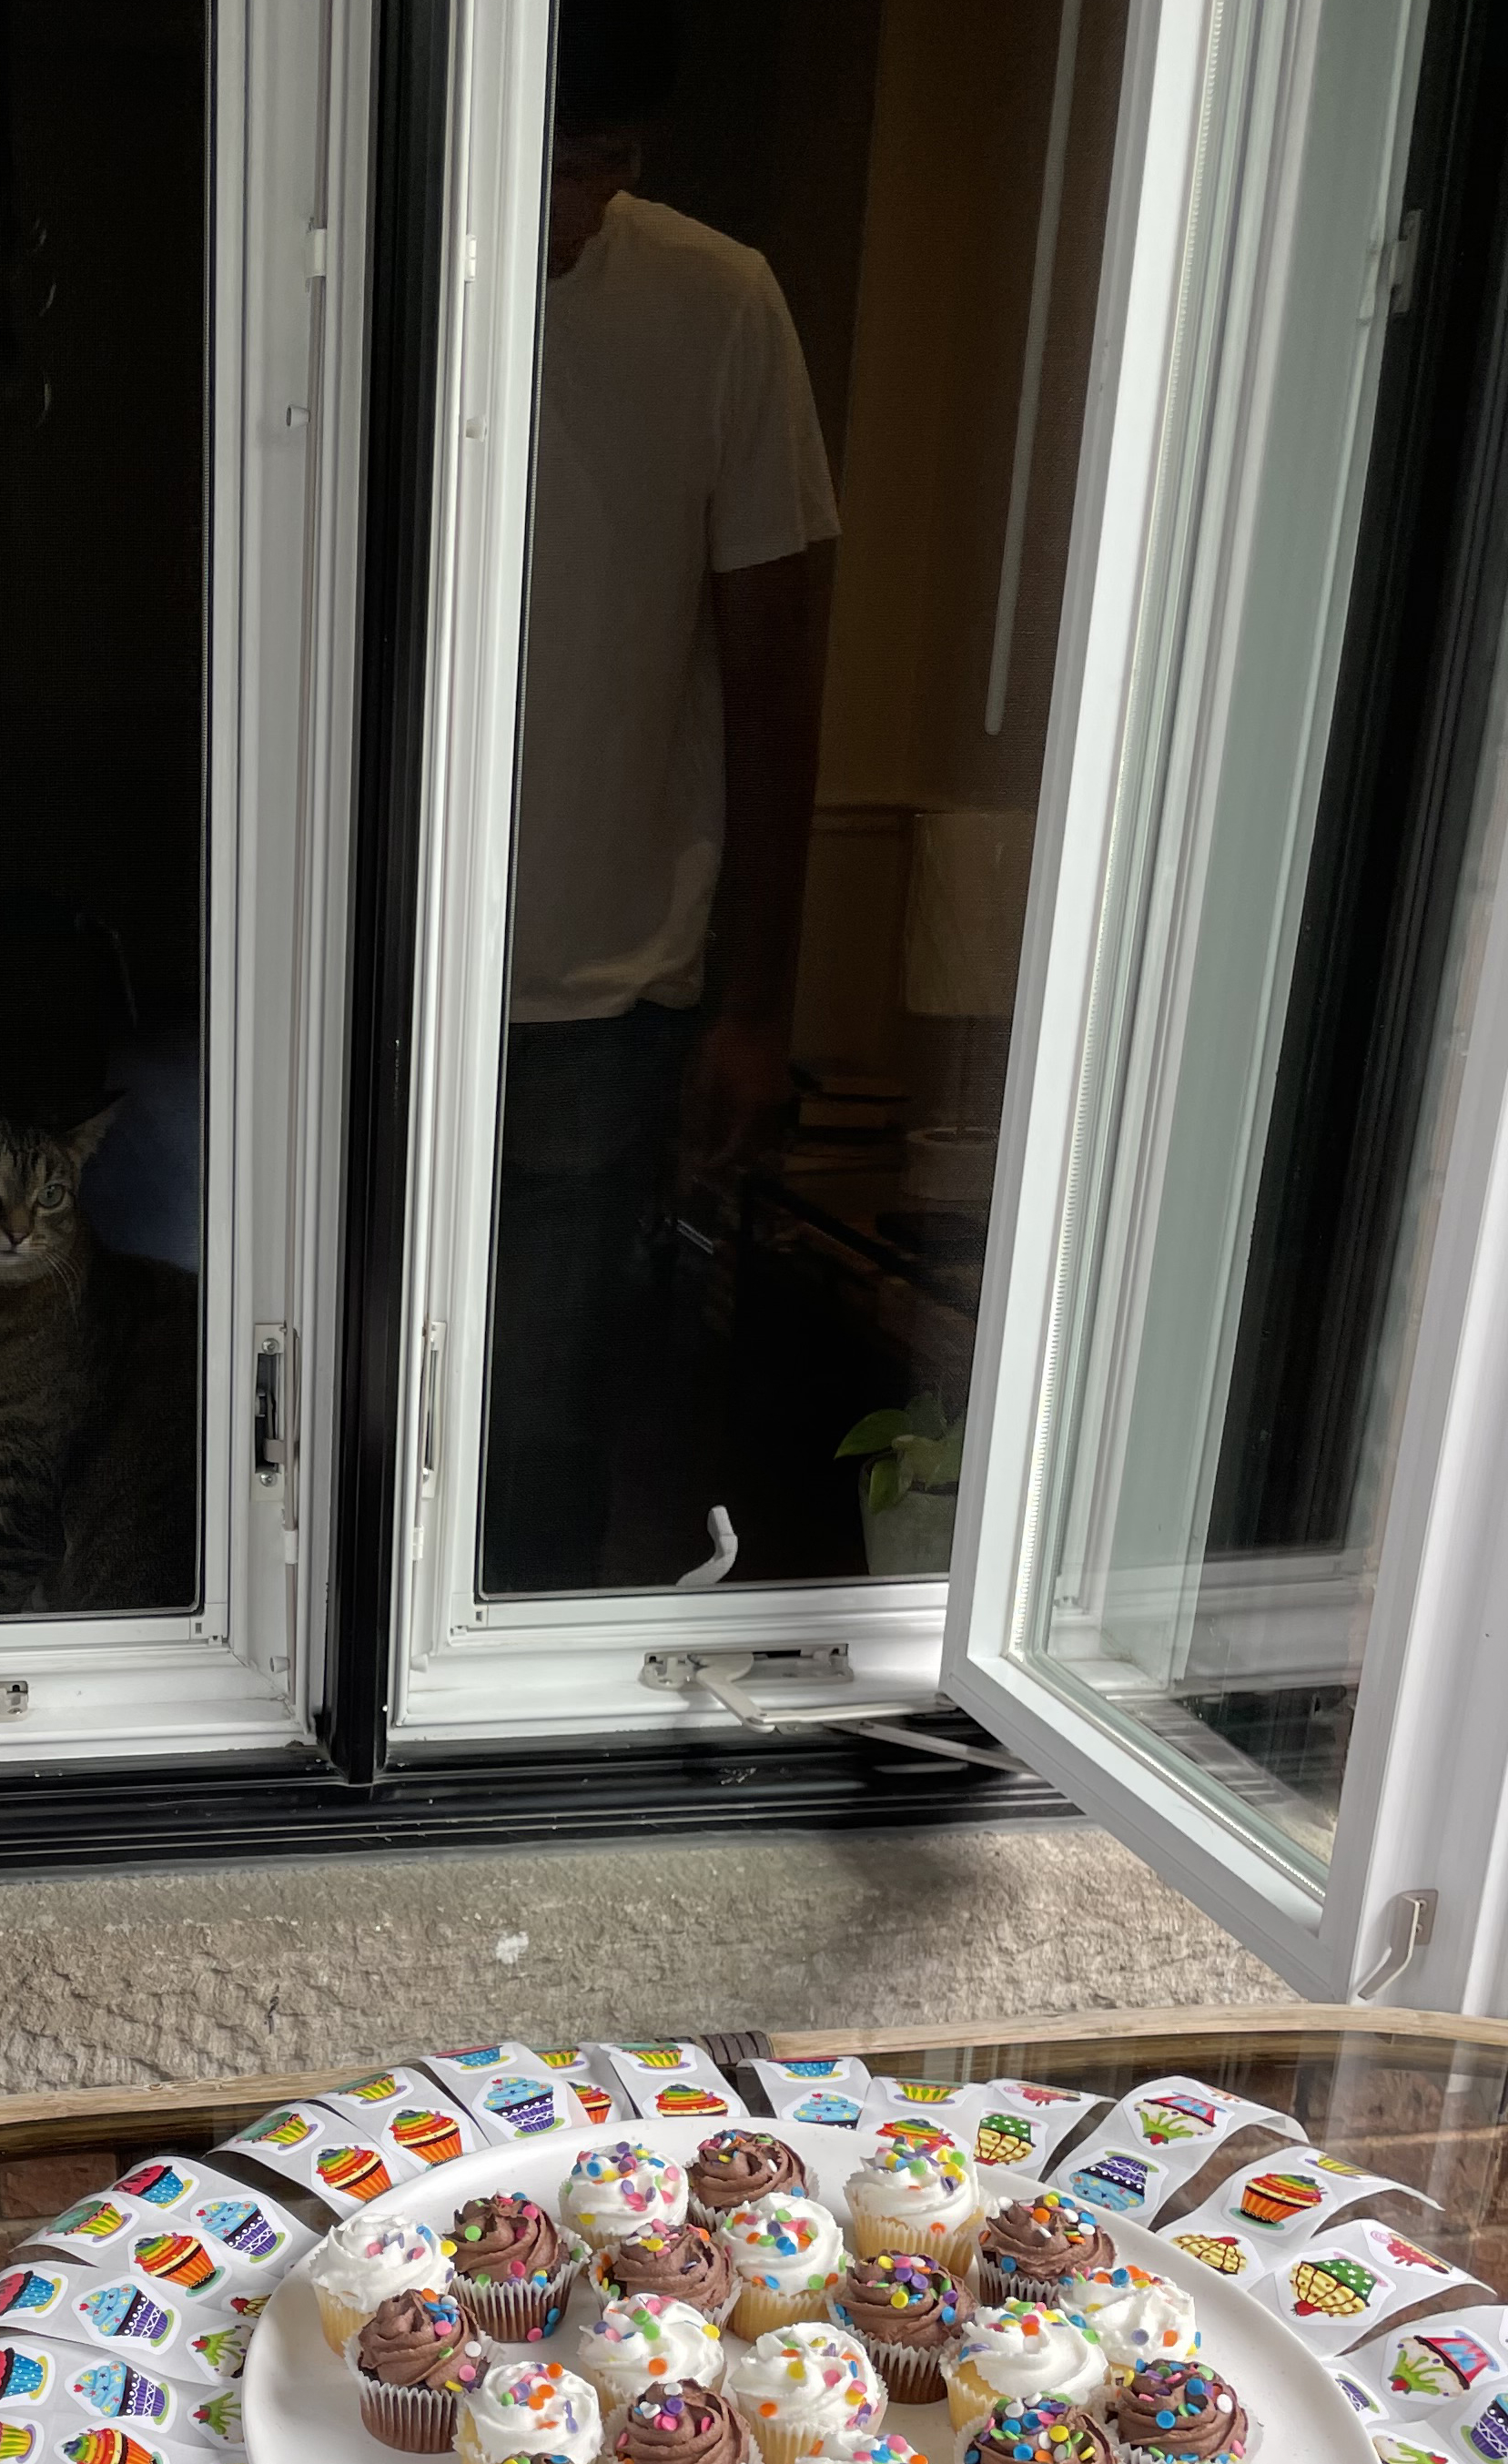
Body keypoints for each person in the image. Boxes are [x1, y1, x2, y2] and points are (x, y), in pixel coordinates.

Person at [481, 1, 837, 1593]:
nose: (566, 206)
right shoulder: (359, 272)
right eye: (535, 161)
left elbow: (775, 681)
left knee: (544, 1440)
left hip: (605, 993)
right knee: (337, 1416)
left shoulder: (718, 304)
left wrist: (759, 1006)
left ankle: (499, 1797)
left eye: (602, 165)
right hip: (366, 994)